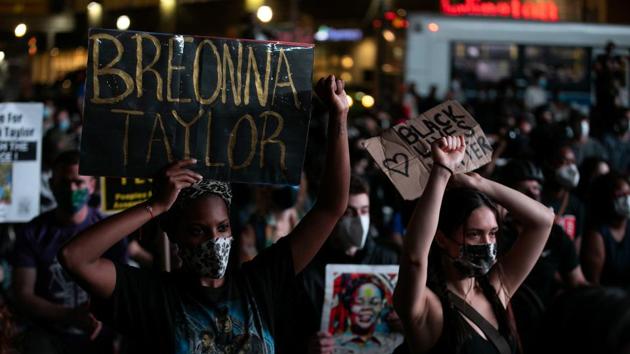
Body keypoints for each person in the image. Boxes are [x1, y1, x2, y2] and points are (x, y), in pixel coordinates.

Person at [58, 75, 350, 354]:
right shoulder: (155, 297)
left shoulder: (260, 283)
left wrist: (339, 118)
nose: (215, 240)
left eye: (222, 228)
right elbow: (75, 257)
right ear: (176, 235)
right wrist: (155, 206)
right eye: (198, 231)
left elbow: (331, 208)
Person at [393, 136, 554, 354]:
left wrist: (476, 182)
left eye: (493, 233)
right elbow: (414, 257)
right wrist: (441, 171)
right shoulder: (427, 307)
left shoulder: (496, 289)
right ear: (441, 238)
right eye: (474, 234)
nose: (487, 243)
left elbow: (543, 221)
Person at [10, 150, 128, 354]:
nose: (71, 189)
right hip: (49, 338)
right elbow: (23, 294)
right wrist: (69, 315)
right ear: (52, 184)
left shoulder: (109, 231)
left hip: (100, 336)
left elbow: (123, 290)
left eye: (78, 183)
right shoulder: (32, 233)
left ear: (92, 186)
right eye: (64, 182)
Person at [303, 175, 399, 354]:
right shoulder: (310, 267)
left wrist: (405, 322)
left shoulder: (389, 260)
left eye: (364, 211)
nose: (360, 220)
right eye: (350, 212)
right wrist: (308, 345)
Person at [581, 173, 630, 287]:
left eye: (629, 193)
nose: (627, 198)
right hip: (609, 298)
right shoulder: (597, 233)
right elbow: (593, 283)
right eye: (621, 194)